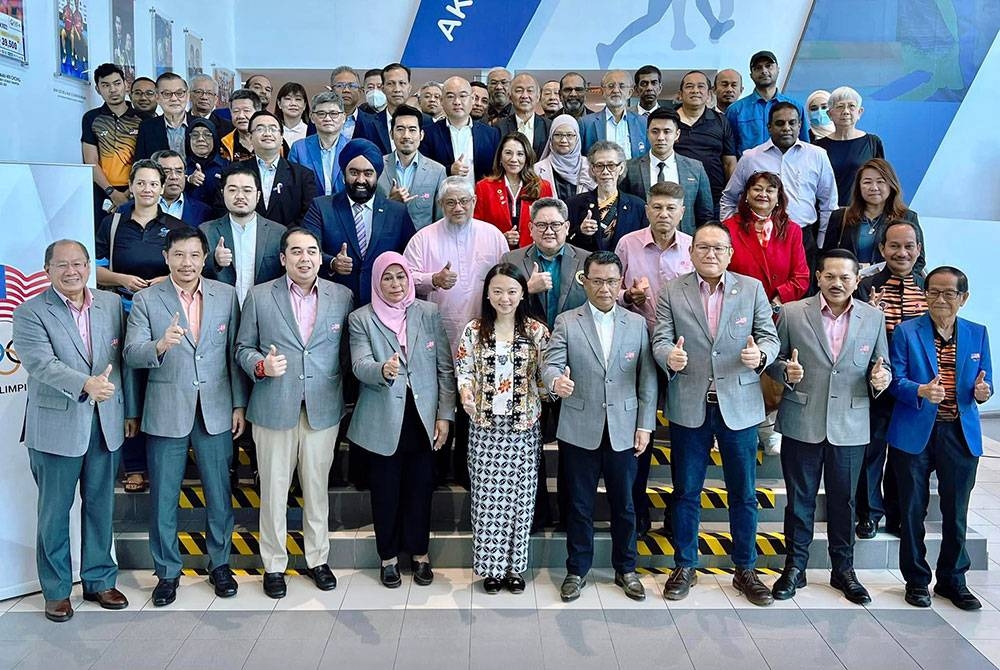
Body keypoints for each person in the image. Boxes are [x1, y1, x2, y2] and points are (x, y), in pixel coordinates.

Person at [652, 223, 780, 606]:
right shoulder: (673, 291)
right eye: (703, 247)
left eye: (718, 248)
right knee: (686, 492)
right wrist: (667, 357)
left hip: (739, 407)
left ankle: (746, 568)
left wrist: (761, 357)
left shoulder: (752, 288)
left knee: (742, 493)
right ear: (691, 253)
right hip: (689, 403)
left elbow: (770, 338)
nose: (710, 254)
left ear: (729, 253)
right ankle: (685, 565)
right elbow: (660, 337)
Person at [13, 240, 138, 622]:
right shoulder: (30, 312)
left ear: (89, 265)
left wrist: (128, 410)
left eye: (79, 263)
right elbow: (40, 363)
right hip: (55, 427)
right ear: (46, 269)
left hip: (105, 424)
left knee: (101, 507)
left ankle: (100, 579)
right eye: (62, 265)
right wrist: (85, 383)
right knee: (54, 512)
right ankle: (56, 590)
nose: (72, 271)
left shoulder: (111, 304)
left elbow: (123, 360)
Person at [123, 227, 246, 606]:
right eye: (179, 255)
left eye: (194, 255)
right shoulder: (146, 300)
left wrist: (239, 405)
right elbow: (130, 354)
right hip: (165, 410)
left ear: (204, 258)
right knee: (163, 497)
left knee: (219, 494)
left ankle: (220, 564)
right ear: (166, 257)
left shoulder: (225, 296)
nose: (187, 263)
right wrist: (158, 345)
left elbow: (234, 354)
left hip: (215, 408)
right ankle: (167, 573)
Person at [235, 227, 354, 599]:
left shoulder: (342, 296)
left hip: (322, 407)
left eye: (312, 251)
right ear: (283, 258)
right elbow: (241, 348)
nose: (305, 258)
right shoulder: (259, 296)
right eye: (297, 252)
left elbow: (348, 351)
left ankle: (318, 559)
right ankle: (274, 564)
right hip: (273, 405)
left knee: (317, 489)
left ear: (321, 257)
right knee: (272, 489)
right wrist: (260, 366)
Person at [767, 249, 891, 605]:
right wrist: (784, 373)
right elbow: (774, 362)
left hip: (851, 424)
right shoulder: (792, 313)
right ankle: (795, 568)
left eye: (845, 277)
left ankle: (844, 570)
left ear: (857, 280)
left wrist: (881, 379)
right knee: (799, 502)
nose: (837, 283)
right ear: (818, 277)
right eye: (830, 276)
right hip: (802, 420)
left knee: (845, 501)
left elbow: (881, 367)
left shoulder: (873, 317)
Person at [543, 251, 658, 602]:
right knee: (579, 504)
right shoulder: (566, 321)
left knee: (625, 505)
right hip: (579, 425)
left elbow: (647, 380)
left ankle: (627, 568)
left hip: (625, 428)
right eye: (597, 281)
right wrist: (554, 384)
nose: (604, 288)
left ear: (620, 282)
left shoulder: (636, 323)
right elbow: (551, 364)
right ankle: (577, 569)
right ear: (585, 281)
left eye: (611, 281)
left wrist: (645, 424)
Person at [348, 252, 455, 588]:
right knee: (386, 492)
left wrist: (445, 415)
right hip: (382, 419)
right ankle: (389, 558)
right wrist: (382, 369)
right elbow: (359, 364)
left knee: (420, 490)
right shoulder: (361, 319)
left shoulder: (429, 312)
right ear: (376, 282)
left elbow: (444, 368)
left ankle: (420, 555)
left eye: (400, 277)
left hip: (423, 418)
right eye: (387, 278)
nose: (395, 284)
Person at [887, 266, 992, 611]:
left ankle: (952, 579)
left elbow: (983, 383)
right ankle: (916, 581)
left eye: (949, 293)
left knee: (956, 510)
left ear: (964, 298)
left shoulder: (978, 333)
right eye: (933, 292)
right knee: (912, 510)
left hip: (959, 432)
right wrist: (919, 390)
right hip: (915, 431)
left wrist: (982, 393)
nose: (940, 300)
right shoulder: (906, 331)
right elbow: (893, 380)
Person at [404, 177, 509, 485]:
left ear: (475, 202)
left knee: (473, 404)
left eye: (464, 201)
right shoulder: (423, 238)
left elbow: (505, 278)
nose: (458, 207)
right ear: (441, 205)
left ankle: (469, 471)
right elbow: (404, 278)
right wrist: (432, 279)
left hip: (484, 335)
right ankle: (434, 471)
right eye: (451, 202)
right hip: (437, 334)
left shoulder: (493, 236)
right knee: (440, 399)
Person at [456, 263, 550, 593]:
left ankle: (514, 568)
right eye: (497, 291)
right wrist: (467, 395)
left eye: (511, 291)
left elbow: (544, 379)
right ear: (487, 293)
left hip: (523, 428)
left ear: (523, 293)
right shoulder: (474, 330)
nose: (504, 298)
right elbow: (464, 371)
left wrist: (558, 385)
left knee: (520, 501)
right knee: (487, 501)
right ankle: (490, 569)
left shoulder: (537, 332)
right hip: (484, 428)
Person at [501, 198, 590, 528]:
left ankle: (570, 518)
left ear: (568, 228)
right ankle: (533, 517)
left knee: (572, 448)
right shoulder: (512, 260)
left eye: (556, 225)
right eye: (542, 225)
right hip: (524, 367)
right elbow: (498, 303)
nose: (549, 231)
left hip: (572, 368)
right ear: (530, 228)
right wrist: (527, 287)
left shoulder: (586, 261)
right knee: (529, 446)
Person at [614, 182, 694, 536]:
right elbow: (609, 291)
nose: (664, 214)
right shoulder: (627, 243)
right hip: (637, 349)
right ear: (647, 209)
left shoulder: (693, 248)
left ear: (682, 212)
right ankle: (637, 509)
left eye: (671, 208)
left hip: (682, 353)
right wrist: (627, 296)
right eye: (657, 207)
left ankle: (679, 513)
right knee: (639, 433)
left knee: (683, 434)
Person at [854, 220, 927, 539]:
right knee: (871, 450)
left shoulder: (929, 285)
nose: (902, 252)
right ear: (881, 249)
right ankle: (869, 514)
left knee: (906, 453)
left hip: (913, 386)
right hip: (874, 381)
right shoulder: (865, 284)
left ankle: (898, 516)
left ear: (918, 250)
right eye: (894, 246)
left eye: (908, 246)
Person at [721, 102, 837, 271]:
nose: (786, 128)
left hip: (804, 237)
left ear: (799, 125)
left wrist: (821, 242)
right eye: (780, 123)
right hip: (757, 238)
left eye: (792, 122)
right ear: (769, 127)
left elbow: (829, 203)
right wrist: (729, 233)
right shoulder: (751, 157)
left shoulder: (817, 155)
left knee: (801, 292)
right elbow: (729, 197)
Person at [303, 138, 416, 305]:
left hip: (383, 304)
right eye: (354, 172)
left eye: (368, 173)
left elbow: (410, 256)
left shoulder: (397, 212)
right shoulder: (321, 207)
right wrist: (332, 263)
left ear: (377, 176)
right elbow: (306, 249)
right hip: (334, 303)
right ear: (343, 175)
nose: (361, 180)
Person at [822, 158, 926, 274]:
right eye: (867, 182)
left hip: (889, 286)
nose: (874, 187)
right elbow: (826, 257)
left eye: (880, 182)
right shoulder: (840, 217)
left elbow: (919, 260)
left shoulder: (907, 217)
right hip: (849, 286)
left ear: (891, 185)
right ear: (859, 187)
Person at [723, 171, 810, 309]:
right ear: (746, 195)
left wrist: (776, 302)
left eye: (770, 190)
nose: (763, 194)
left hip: (779, 309)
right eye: (757, 189)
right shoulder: (728, 227)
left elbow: (801, 277)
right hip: (738, 306)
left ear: (778, 198)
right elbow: (721, 272)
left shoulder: (792, 230)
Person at [200, 165, 286, 303]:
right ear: (223, 193)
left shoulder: (278, 233)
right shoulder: (206, 230)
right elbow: (194, 272)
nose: (240, 196)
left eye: (247, 190)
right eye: (232, 190)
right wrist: (214, 261)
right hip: (221, 310)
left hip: (264, 309)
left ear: (258, 195)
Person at [620, 107, 713, 234]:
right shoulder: (630, 167)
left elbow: (705, 214)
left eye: (667, 131)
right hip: (641, 243)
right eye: (655, 131)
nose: (660, 137)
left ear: (677, 134)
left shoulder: (695, 168)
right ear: (647, 133)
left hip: (685, 245)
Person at [236, 110, 318, 228]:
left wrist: (285, 237)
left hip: (289, 241)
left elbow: (308, 214)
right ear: (250, 137)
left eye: (273, 129)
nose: (267, 133)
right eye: (260, 129)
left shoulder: (302, 175)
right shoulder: (234, 172)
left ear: (281, 138)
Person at [82, 63, 140, 225]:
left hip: (137, 191)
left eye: (117, 83)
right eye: (105, 85)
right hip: (102, 191)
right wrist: (112, 192)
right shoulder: (91, 118)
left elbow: (147, 159)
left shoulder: (143, 118)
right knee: (102, 239)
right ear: (98, 89)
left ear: (125, 85)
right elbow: (90, 161)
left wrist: (129, 193)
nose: (113, 90)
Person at [474, 133, 554, 249]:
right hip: (495, 254)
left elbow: (548, 224)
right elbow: (477, 228)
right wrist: (501, 238)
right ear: (500, 157)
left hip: (531, 255)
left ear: (527, 158)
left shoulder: (543, 187)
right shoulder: (484, 187)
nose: (514, 159)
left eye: (520, 154)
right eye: (508, 153)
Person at [673, 70, 738, 211]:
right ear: (680, 93)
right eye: (689, 86)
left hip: (713, 198)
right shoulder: (668, 120)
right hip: (675, 198)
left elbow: (729, 163)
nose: (695, 90)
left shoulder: (721, 121)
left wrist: (732, 198)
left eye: (701, 86)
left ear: (709, 94)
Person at [567, 141, 649, 252]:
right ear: (592, 170)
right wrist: (581, 231)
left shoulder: (638, 206)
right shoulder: (574, 204)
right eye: (599, 166)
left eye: (611, 165)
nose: (605, 172)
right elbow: (565, 244)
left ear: (621, 168)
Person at [376, 104, 447, 230]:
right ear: (391, 134)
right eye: (400, 129)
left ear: (421, 135)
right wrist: (390, 202)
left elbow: (440, 219)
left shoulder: (437, 171)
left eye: (412, 129)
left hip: (422, 244)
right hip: (384, 241)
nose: (406, 135)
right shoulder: (377, 166)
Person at [726, 51, 809, 156]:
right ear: (751, 75)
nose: (764, 71)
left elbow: (804, 147)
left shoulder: (795, 107)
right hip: (750, 170)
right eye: (758, 68)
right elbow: (729, 153)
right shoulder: (736, 110)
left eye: (769, 66)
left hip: (789, 169)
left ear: (778, 70)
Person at [420, 76, 501, 182]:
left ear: (472, 99)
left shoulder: (491, 134)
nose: (457, 102)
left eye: (462, 96)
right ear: (441, 101)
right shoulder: (428, 134)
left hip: (480, 196)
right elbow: (422, 173)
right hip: (442, 196)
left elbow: (497, 172)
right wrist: (448, 171)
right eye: (450, 96)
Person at [814, 87, 885, 206]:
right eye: (840, 106)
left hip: (863, 213)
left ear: (860, 112)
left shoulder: (872, 142)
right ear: (830, 114)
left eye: (851, 106)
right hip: (829, 213)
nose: (846, 111)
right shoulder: (818, 147)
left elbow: (882, 180)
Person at [122, 149, 209, 227]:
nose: (174, 177)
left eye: (179, 171)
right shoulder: (127, 210)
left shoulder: (203, 211)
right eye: (166, 171)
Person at [288, 91, 350, 197]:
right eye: (321, 113)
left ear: (343, 117)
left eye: (334, 114)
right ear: (312, 117)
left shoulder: (353, 148)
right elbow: (292, 187)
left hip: (345, 209)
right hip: (309, 210)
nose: (327, 118)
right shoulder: (299, 148)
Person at [579, 70, 647, 159]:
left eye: (621, 86)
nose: (616, 90)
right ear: (603, 92)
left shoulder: (643, 122)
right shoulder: (586, 123)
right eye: (611, 86)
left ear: (630, 92)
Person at [354, 62, 416, 155]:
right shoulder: (367, 124)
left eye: (402, 83)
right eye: (391, 84)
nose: (397, 89)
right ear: (383, 88)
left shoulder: (425, 122)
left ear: (409, 88)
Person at [534, 115, 596, 201]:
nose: (563, 140)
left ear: (577, 138)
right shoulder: (537, 170)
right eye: (558, 135)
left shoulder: (590, 167)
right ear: (551, 138)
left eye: (569, 135)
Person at [135, 72, 193, 160]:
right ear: (157, 97)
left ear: (187, 96)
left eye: (179, 93)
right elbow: (140, 164)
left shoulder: (201, 124)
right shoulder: (146, 128)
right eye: (167, 94)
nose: (174, 98)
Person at [495, 73, 551, 159]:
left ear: (538, 96)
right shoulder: (499, 127)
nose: (525, 96)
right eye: (519, 91)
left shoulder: (549, 126)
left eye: (530, 91)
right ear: (510, 97)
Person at [184, 118, 229, 218]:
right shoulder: (181, 166)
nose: (200, 139)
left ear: (215, 139)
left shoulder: (226, 166)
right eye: (195, 135)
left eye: (207, 135)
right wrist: (188, 181)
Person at [220, 89, 263, 163]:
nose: (241, 116)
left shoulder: (272, 139)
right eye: (236, 111)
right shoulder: (224, 143)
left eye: (246, 110)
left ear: (258, 112)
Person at [329, 66, 368, 140]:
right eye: (340, 85)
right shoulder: (318, 120)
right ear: (331, 91)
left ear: (360, 91)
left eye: (352, 86)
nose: (346, 90)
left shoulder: (373, 123)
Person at [275, 81, 315, 148]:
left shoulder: (312, 132)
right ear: (279, 103)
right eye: (288, 99)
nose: (293, 103)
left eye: (298, 99)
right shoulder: (273, 131)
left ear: (304, 105)